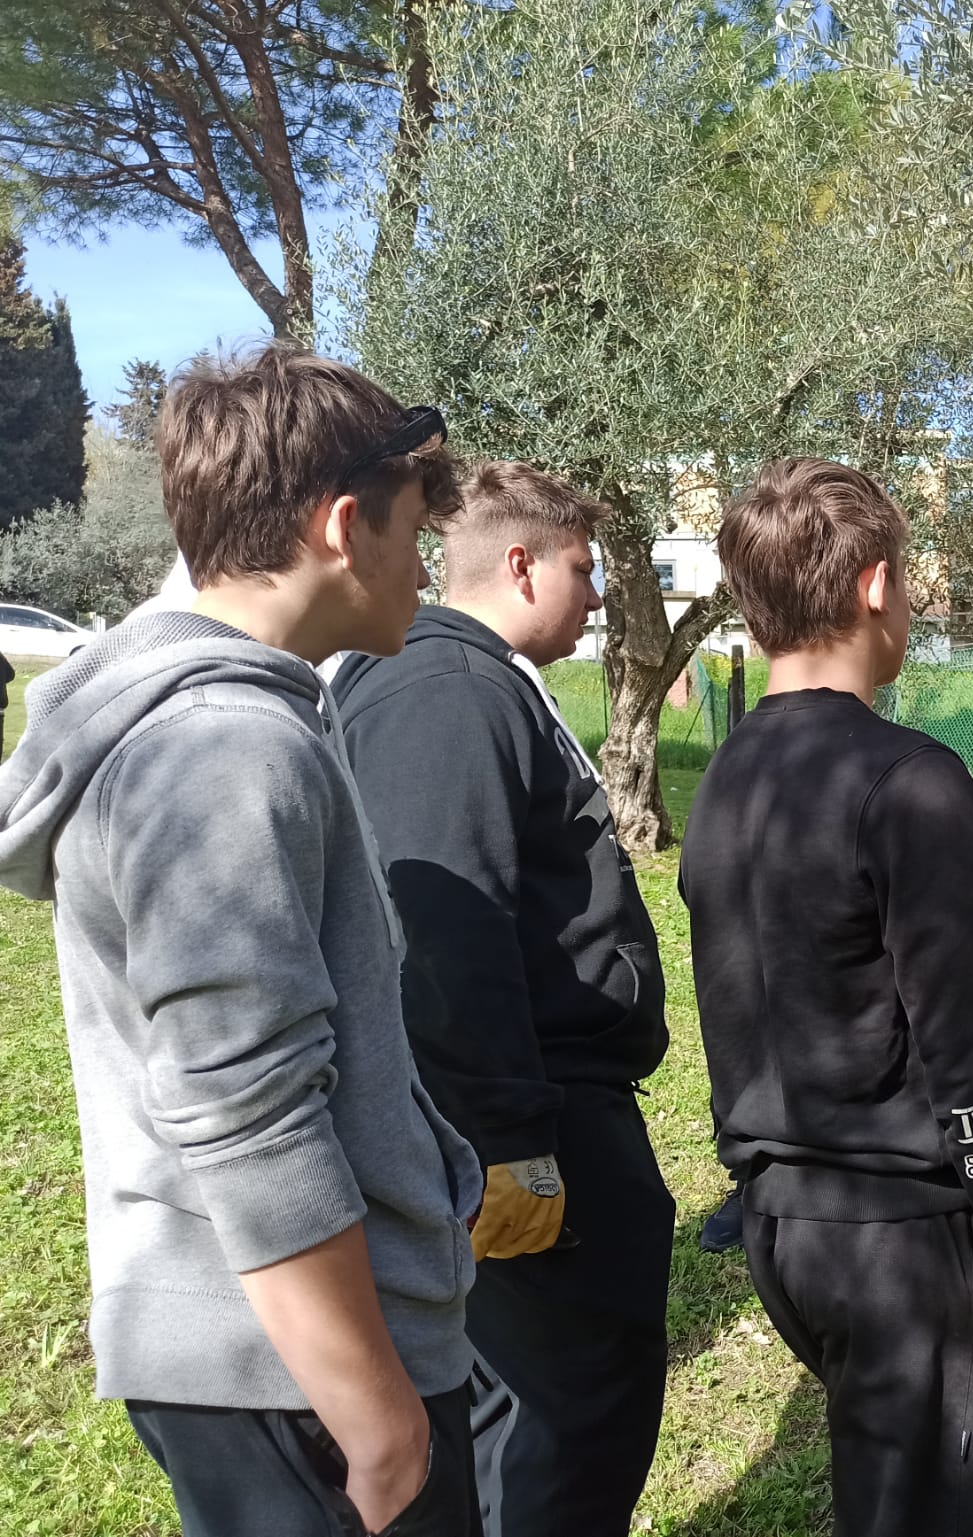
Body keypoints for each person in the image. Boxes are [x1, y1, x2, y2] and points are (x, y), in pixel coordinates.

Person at [0, 344, 485, 1536]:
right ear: (339, 526)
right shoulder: (224, 748)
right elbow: (247, 1108)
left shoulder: (230, 718)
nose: (425, 566)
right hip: (296, 1380)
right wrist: (376, 1415)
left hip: (269, 1358)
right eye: (415, 530)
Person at [680, 457, 973, 1537]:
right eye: (904, 581)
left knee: (876, 1482)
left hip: (781, 1229)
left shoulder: (724, 779)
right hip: (899, 1241)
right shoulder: (908, 779)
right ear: (871, 584)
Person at [330, 461, 675, 1537]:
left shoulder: (475, 680)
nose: (597, 593)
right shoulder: (449, 690)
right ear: (519, 564)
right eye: (585, 568)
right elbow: (443, 931)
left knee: (568, 1411)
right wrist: (511, 1146)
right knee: (558, 1424)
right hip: (528, 1127)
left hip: (545, 1108)